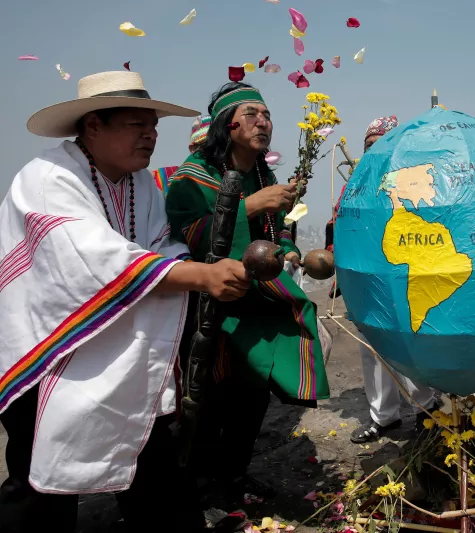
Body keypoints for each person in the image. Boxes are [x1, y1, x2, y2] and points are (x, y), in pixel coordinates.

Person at [0, 71, 251, 533]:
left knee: (150, 461)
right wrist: (200, 275)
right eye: (136, 124)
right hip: (50, 352)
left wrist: (195, 271)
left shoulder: (140, 184)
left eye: (153, 125)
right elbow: (92, 258)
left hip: (118, 351)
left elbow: (160, 245)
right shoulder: (47, 178)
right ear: (93, 126)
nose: (151, 134)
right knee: (41, 489)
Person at [166, 81, 330, 496]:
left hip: (258, 300)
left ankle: (234, 475)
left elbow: (279, 230)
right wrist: (255, 205)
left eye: (268, 115)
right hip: (212, 304)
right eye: (252, 115)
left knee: (252, 397)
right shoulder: (194, 175)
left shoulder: (264, 173)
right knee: (210, 399)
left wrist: (290, 251)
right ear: (228, 124)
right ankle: (200, 485)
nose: (263, 122)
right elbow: (194, 237)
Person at [325, 116, 439, 444]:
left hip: (404, 275)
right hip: (367, 279)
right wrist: (335, 253)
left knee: (409, 343)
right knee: (372, 349)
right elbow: (340, 223)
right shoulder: (356, 183)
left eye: (384, 145)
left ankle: (425, 410)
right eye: (370, 146)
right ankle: (383, 417)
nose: (376, 151)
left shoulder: (412, 179)